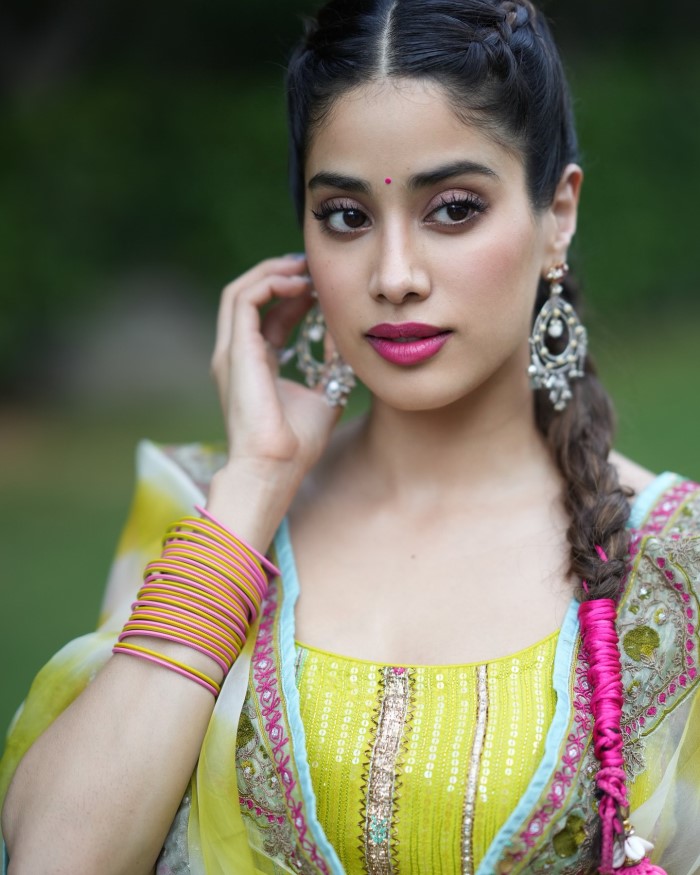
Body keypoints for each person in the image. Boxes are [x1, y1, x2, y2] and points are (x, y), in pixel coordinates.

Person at [1, 0, 699, 872]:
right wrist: (256, 484)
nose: (394, 275)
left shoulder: (675, 559)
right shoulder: (204, 511)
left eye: (452, 208)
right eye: (346, 216)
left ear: (557, 213)